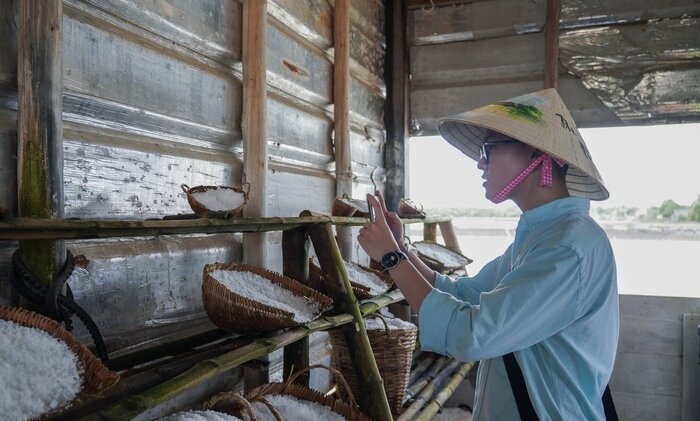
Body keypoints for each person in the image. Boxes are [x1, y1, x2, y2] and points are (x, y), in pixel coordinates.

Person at [358, 89, 619, 420]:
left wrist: (392, 259)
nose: (480, 162)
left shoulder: (567, 248)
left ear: (540, 157)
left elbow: (471, 334)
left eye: (489, 149)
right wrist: (402, 249)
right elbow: (461, 294)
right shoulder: (542, 237)